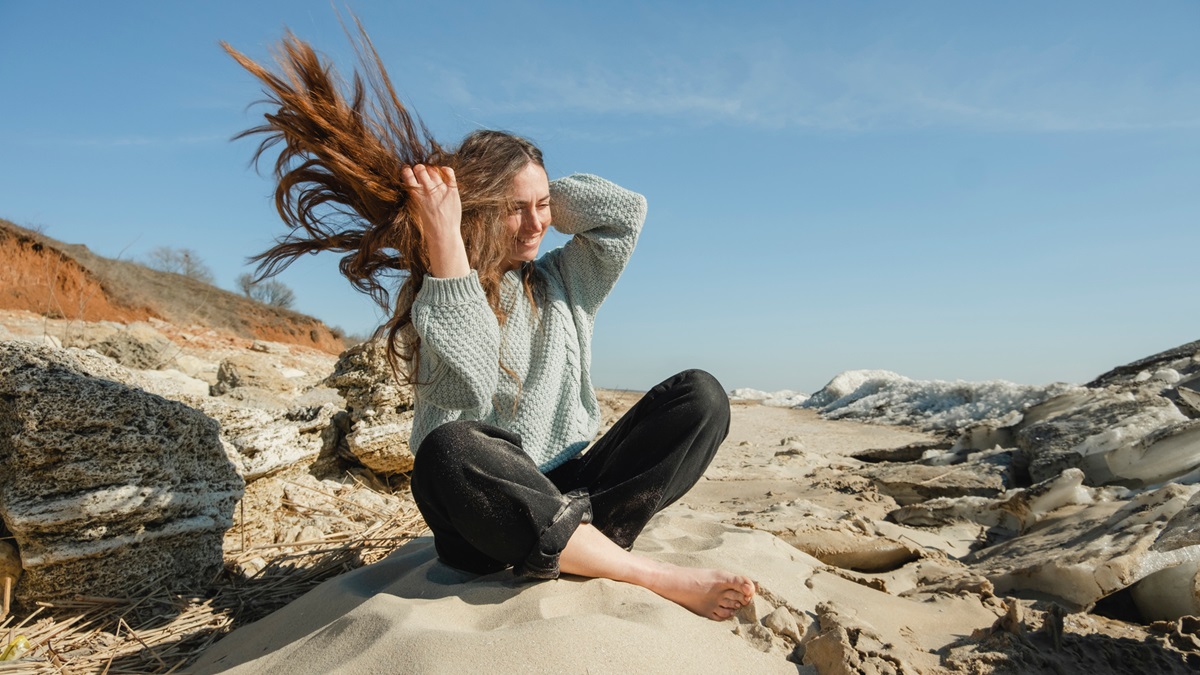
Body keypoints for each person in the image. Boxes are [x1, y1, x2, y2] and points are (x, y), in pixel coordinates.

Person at [224, 28, 754, 621]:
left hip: (573, 488)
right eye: (512, 210)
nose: (533, 225)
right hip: (483, 512)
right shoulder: (445, 291)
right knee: (448, 448)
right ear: (478, 211)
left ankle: (581, 544)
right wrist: (446, 238)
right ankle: (644, 572)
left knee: (700, 396)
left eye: (542, 208)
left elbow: (624, 216)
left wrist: (536, 186)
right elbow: (470, 389)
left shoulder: (565, 280)